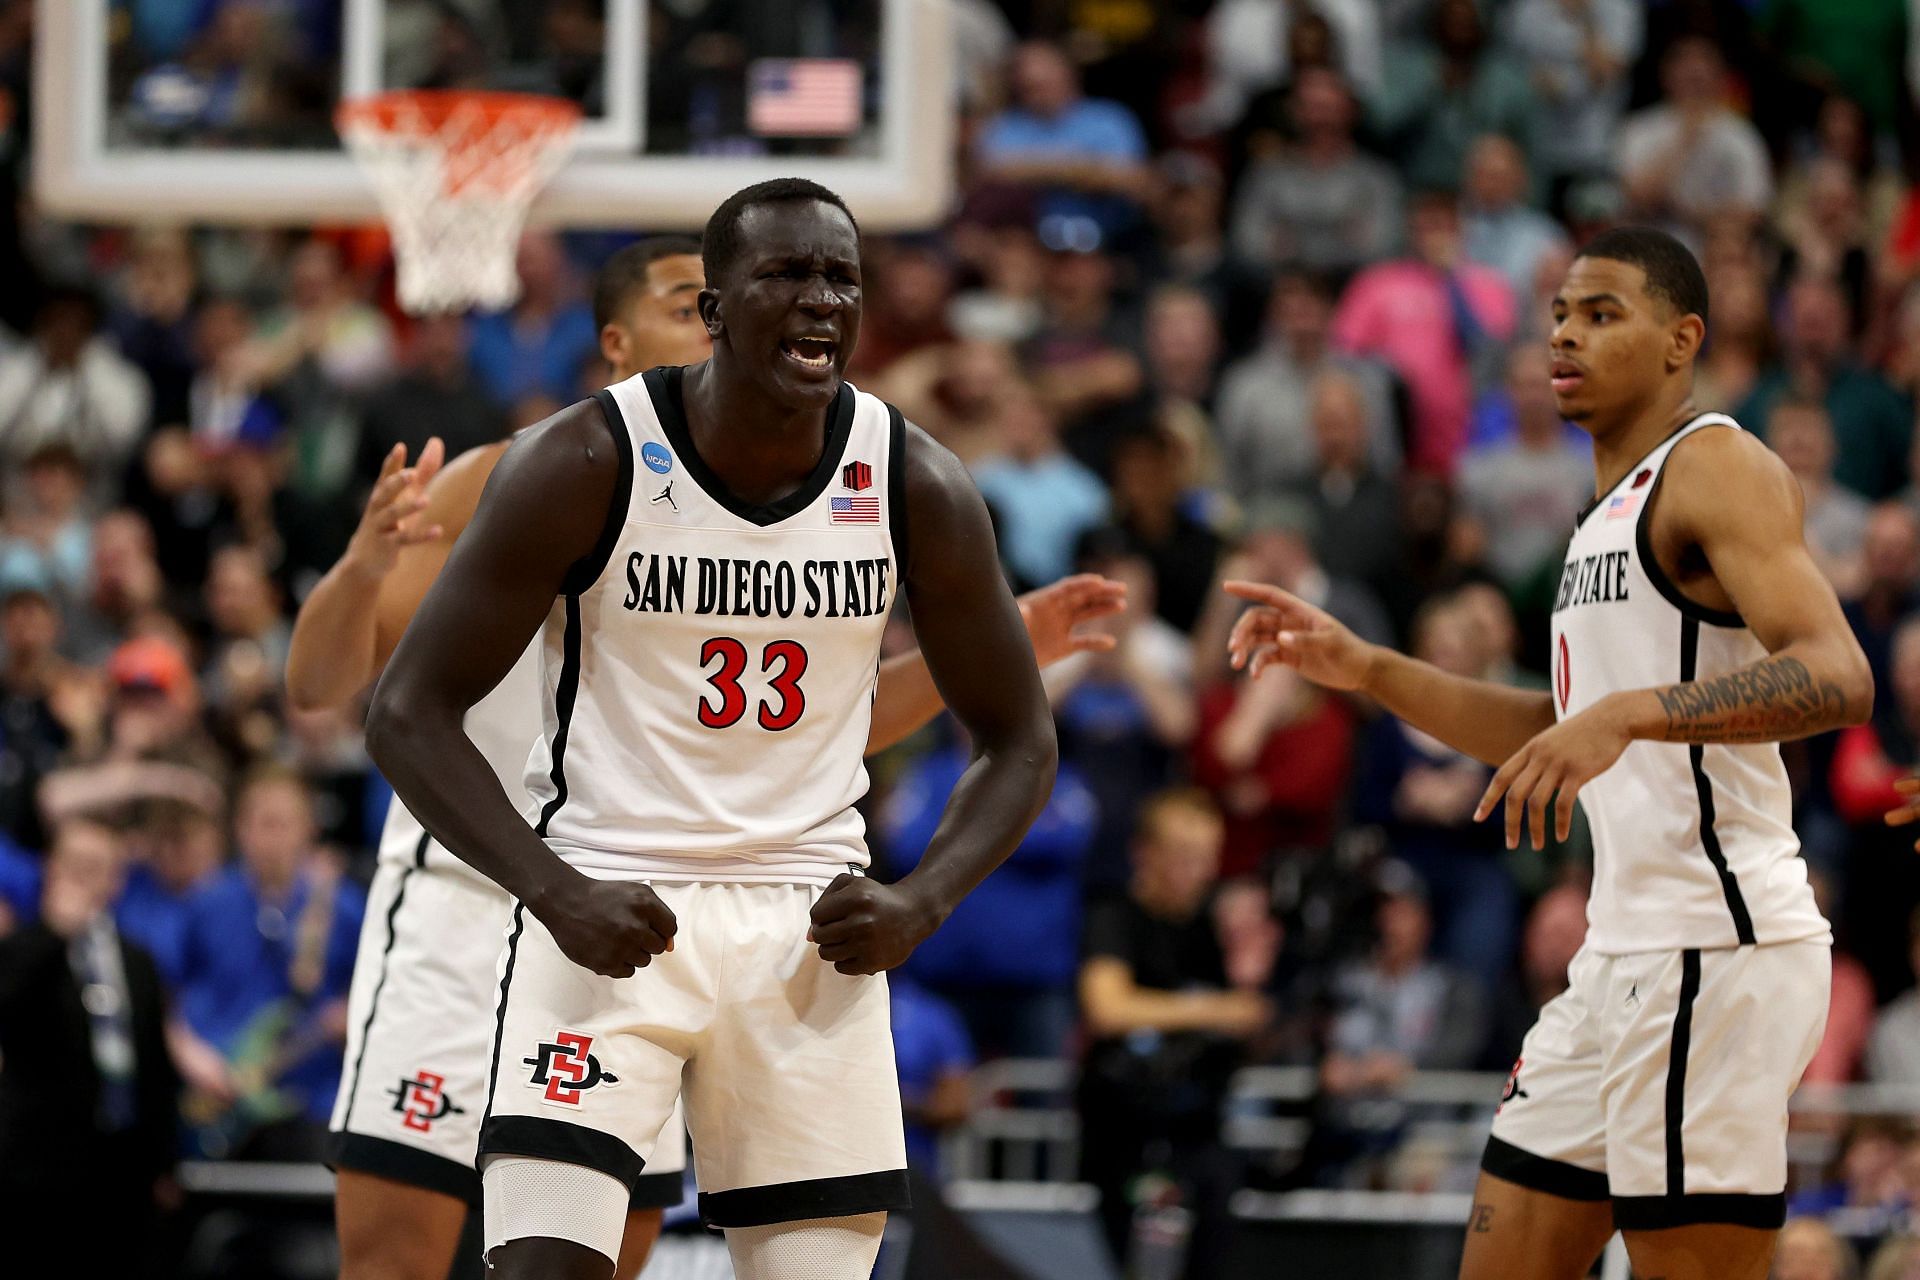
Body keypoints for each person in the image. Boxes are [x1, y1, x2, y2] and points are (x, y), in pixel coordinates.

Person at [291, 235, 1124, 1280]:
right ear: (613, 340)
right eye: (688, 305)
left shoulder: (779, 504)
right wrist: (364, 566)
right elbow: (326, 686)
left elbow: (813, 741)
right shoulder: (521, 473)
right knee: (398, 1259)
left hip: (642, 899)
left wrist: (1006, 644)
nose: (715, 324)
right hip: (472, 894)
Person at [1226, 227, 1873, 1279]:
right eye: (1561, 314)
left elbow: (1839, 674)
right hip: (1617, 958)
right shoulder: (1598, 523)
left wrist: (1627, 713)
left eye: (1604, 312)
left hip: (1717, 946)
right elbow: (1554, 726)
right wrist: (1370, 668)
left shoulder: (1716, 463)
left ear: (1682, 340)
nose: (1566, 333)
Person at [0, 818, 180, 1275]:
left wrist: (164, 1160)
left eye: (99, 867)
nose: (86, 879)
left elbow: (155, 1065)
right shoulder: (21, 949)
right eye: (76, 865)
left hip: (122, 1168)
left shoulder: (137, 960)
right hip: (39, 1174)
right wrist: (55, 933)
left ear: (117, 879)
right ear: (52, 869)